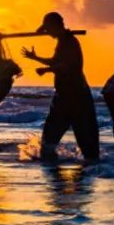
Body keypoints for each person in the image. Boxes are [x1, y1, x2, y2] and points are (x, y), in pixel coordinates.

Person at [21, 12, 100, 163]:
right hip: (63, 96)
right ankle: (53, 171)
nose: (47, 33)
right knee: (49, 140)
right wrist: (35, 58)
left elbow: (69, 66)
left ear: (55, 26)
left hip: (77, 97)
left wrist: (47, 70)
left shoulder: (70, 42)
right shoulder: (62, 42)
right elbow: (55, 61)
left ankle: (87, 175)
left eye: (48, 29)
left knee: (88, 145)